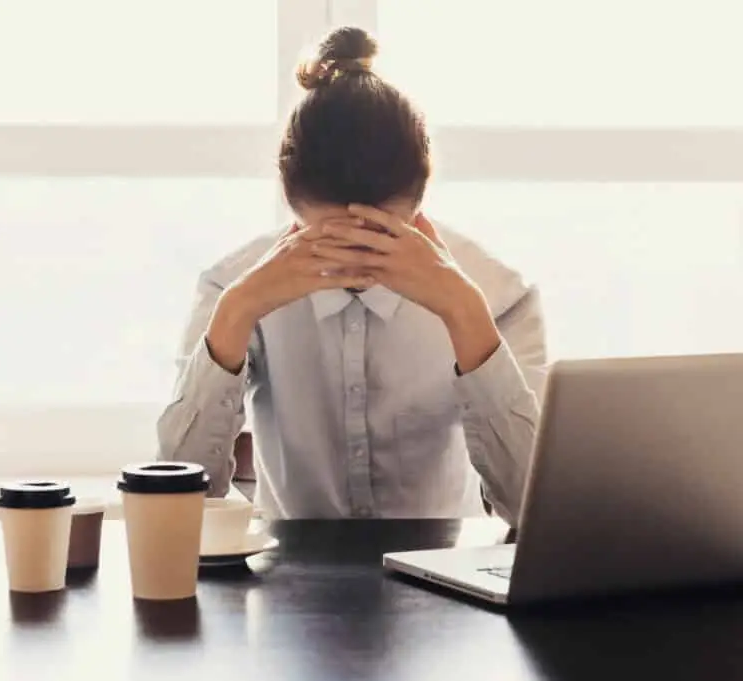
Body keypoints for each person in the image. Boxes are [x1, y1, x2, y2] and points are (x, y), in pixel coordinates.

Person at [157, 26, 547, 526]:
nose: (355, 264)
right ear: (289, 204)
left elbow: (533, 512)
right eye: (330, 238)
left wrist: (465, 315)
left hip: (450, 580)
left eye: (380, 237)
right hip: (287, 584)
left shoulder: (500, 294)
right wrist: (235, 315)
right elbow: (175, 500)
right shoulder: (231, 287)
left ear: (420, 202)